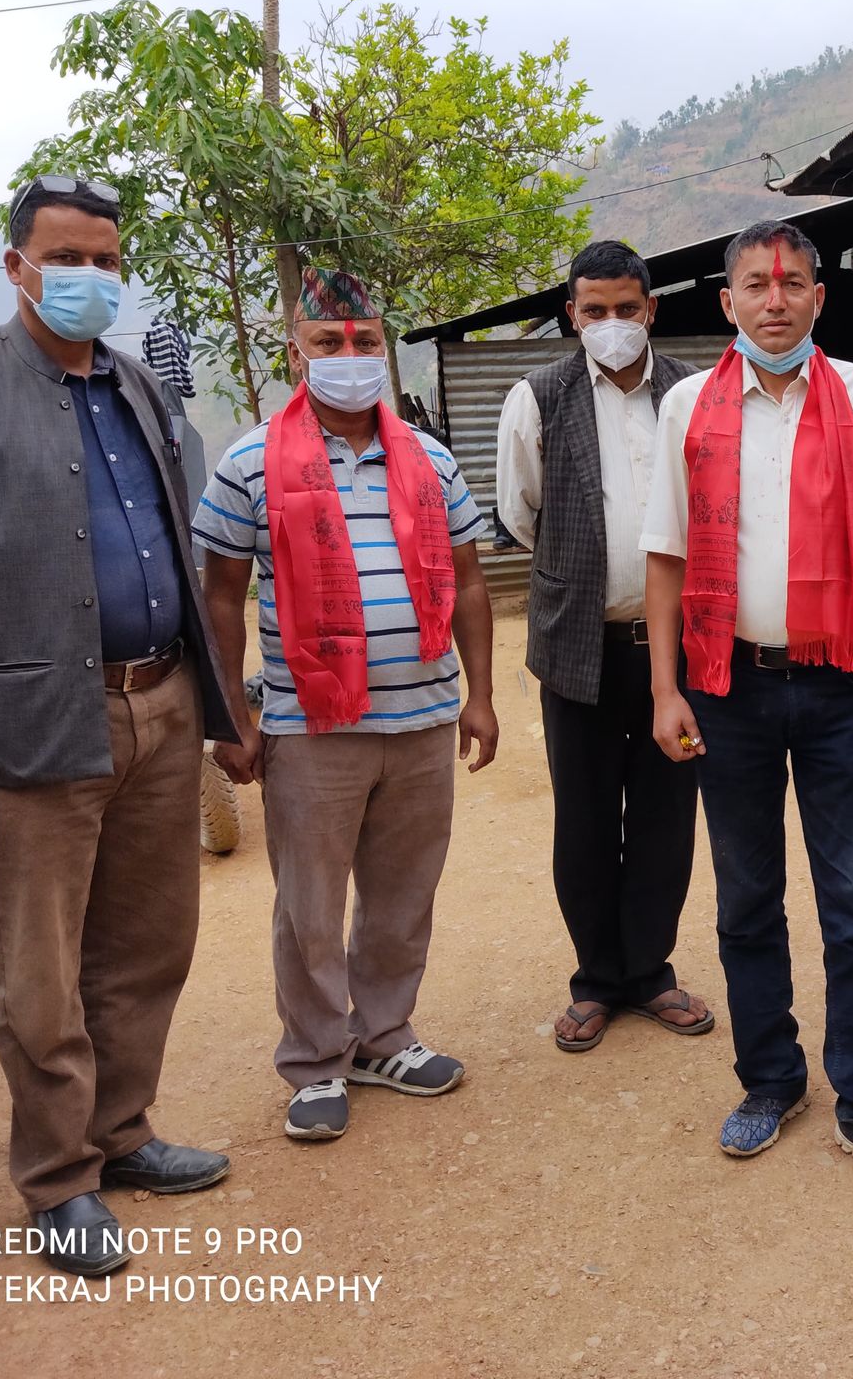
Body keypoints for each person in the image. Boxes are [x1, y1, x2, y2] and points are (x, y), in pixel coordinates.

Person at [0, 174, 242, 1277]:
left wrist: (217, 701)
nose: (91, 277)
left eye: (106, 260)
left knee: (148, 943)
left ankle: (122, 1133)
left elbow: (181, 547)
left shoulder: (137, 385)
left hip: (161, 703)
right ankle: (57, 1179)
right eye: (68, 258)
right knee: (41, 966)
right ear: (17, 267)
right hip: (35, 720)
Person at [640, 219, 853, 1197]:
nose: (776, 300)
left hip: (843, 682)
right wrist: (665, 689)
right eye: (757, 286)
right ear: (726, 301)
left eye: (794, 283)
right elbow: (666, 555)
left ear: (819, 296)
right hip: (726, 687)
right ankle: (769, 1080)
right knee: (746, 899)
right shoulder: (688, 406)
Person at [195, 267, 498, 1145]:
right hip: (310, 729)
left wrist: (480, 696)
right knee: (310, 909)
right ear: (297, 352)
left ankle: (385, 1036)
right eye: (328, 341)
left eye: (364, 340)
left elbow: (471, 581)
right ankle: (317, 1058)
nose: (349, 355)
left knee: (403, 896)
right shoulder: (250, 462)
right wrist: (232, 717)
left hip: (422, 720)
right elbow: (219, 597)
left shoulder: (430, 459)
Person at [494, 240, 710, 1054]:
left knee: (666, 814)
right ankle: (595, 980)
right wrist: (589, 562)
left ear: (651, 309)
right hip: (576, 641)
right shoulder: (537, 397)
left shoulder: (693, 392)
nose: (612, 323)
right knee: (583, 818)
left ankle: (649, 972)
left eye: (626, 308)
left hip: (675, 651)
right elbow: (521, 514)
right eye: (595, 310)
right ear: (571, 316)